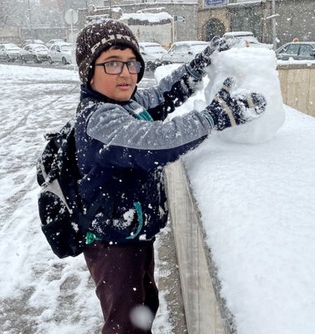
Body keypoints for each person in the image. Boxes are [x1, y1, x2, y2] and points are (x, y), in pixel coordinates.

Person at [74, 19, 266, 334]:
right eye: (111, 64)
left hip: (132, 231)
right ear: (88, 71)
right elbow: (160, 142)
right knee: (124, 322)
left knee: (145, 305)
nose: (125, 73)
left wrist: (199, 66)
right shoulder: (100, 120)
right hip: (111, 243)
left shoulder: (127, 103)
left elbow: (165, 94)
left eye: (131, 63)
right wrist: (215, 115)